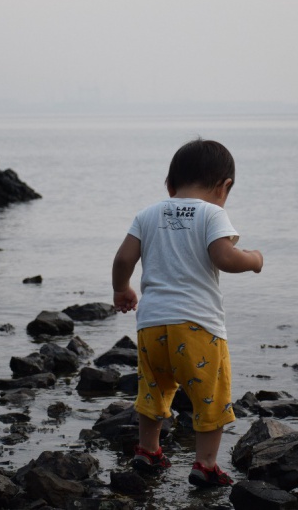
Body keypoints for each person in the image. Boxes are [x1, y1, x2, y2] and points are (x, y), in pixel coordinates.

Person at [111, 138, 263, 488]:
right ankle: (205, 465)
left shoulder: (147, 214)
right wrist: (254, 260)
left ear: (169, 184)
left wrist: (122, 289)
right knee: (209, 395)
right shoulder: (213, 213)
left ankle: (148, 450)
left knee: (153, 389)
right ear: (225, 186)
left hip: (151, 326)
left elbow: (123, 259)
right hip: (198, 327)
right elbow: (225, 258)